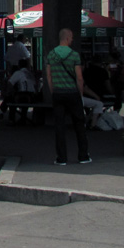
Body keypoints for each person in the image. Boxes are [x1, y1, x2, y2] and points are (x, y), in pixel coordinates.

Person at [46, 28, 91, 165]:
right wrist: (81, 94)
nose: (72, 40)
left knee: (59, 127)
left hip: (58, 93)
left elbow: (49, 76)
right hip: (72, 93)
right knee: (79, 125)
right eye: (71, 38)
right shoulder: (74, 55)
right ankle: (83, 156)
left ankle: (61, 158)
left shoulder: (51, 55)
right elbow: (79, 77)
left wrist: (53, 91)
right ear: (67, 38)